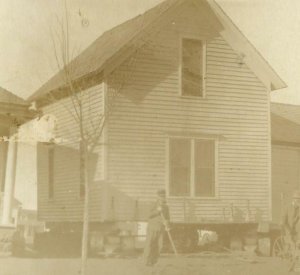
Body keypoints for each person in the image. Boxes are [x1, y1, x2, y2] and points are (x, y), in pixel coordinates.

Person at [143, 189, 170, 266]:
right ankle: (146, 261)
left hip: (161, 229)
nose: (163, 197)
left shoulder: (166, 207)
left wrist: (167, 224)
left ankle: (153, 261)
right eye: (161, 196)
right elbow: (148, 215)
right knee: (149, 245)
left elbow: (168, 218)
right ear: (157, 197)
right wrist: (157, 211)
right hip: (152, 228)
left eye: (164, 196)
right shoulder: (153, 204)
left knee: (159, 246)